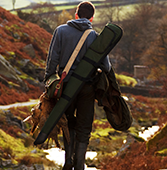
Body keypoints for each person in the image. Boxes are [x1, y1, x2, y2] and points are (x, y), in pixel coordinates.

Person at [43, 1, 111, 170]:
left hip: (65, 86)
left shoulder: (60, 31)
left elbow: (52, 60)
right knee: (84, 127)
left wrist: (48, 81)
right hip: (87, 88)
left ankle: (68, 162)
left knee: (68, 123)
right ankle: (80, 165)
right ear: (92, 18)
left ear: (76, 14)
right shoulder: (94, 36)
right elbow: (107, 66)